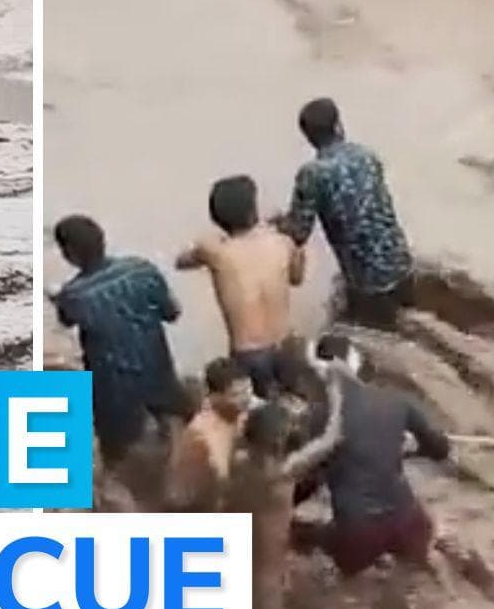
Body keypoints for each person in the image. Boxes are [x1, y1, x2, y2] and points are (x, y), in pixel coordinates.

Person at [225, 362, 345, 609]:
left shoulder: (239, 459)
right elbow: (331, 438)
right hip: (264, 572)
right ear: (277, 444)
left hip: (238, 552)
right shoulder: (280, 474)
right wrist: (337, 394)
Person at [295, 330, 452, 581]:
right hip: (408, 519)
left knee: (304, 540)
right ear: (355, 364)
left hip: (359, 532)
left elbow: (311, 480)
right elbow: (441, 449)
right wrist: (409, 452)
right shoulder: (397, 401)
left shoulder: (319, 420)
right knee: (424, 562)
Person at [52, 215, 188, 468]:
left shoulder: (73, 295)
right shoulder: (141, 269)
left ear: (68, 254)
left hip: (114, 388)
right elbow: (173, 313)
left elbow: (67, 321)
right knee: (172, 421)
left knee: (115, 453)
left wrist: (57, 298)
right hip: (157, 369)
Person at [279, 98, 414, 333]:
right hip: (402, 264)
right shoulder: (367, 155)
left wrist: (277, 225)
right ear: (339, 125)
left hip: (367, 283)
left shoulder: (312, 174)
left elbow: (298, 234)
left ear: (308, 138)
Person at [177, 175, 306, 394]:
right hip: (285, 346)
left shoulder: (215, 251)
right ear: (253, 211)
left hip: (248, 355)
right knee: (293, 407)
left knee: (251, 417)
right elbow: (297, 279)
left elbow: (181, 262)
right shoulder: (282, 243)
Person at [166, 356, 257, 511]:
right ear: (214, 396)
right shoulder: (201, 434)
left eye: (248, 390)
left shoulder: (245, 411)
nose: (246, 399)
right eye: (236, 394)